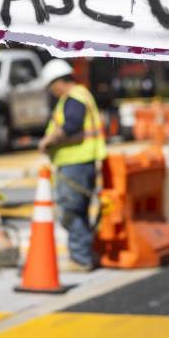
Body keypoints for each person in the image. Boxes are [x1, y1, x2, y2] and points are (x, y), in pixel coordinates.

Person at [37, 59, 107, 272]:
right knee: (80, 211)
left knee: (70, 212)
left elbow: (71, 126)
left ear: (58, 82)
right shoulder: (81, 94)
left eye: (51, 86)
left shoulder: (73, 98)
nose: (51, 91)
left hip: (74, 163)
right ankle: (86, 254)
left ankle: (80, 258)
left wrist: (47, 142)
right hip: (80, 162)